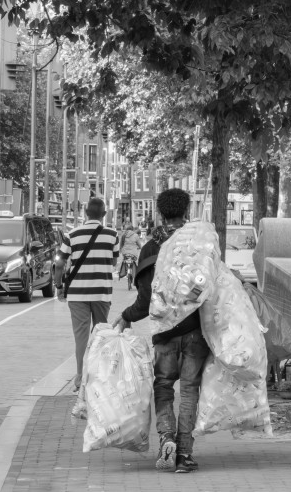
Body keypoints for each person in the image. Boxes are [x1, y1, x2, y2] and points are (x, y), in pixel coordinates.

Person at [111, 188, 210, 474]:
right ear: (186, 211)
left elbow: (145, 301)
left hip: (165, 332)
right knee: (189, 389)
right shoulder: (197, 244)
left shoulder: (151, 248)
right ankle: (185, 452)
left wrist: (126, 316)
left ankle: (166, 437)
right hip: (195, 330)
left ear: (160, 213)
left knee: (164, 386)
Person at [53, 198, 119, 391]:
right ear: (104, 214)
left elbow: (59, 264)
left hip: (77, 294)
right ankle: (98, 376)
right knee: (100, 335)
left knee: (80, 337)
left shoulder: (71, 235)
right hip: (102, 293)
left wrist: (59, 286)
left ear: (85, 212)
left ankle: (80, 377)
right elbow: (114, 262)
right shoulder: (113, 235)